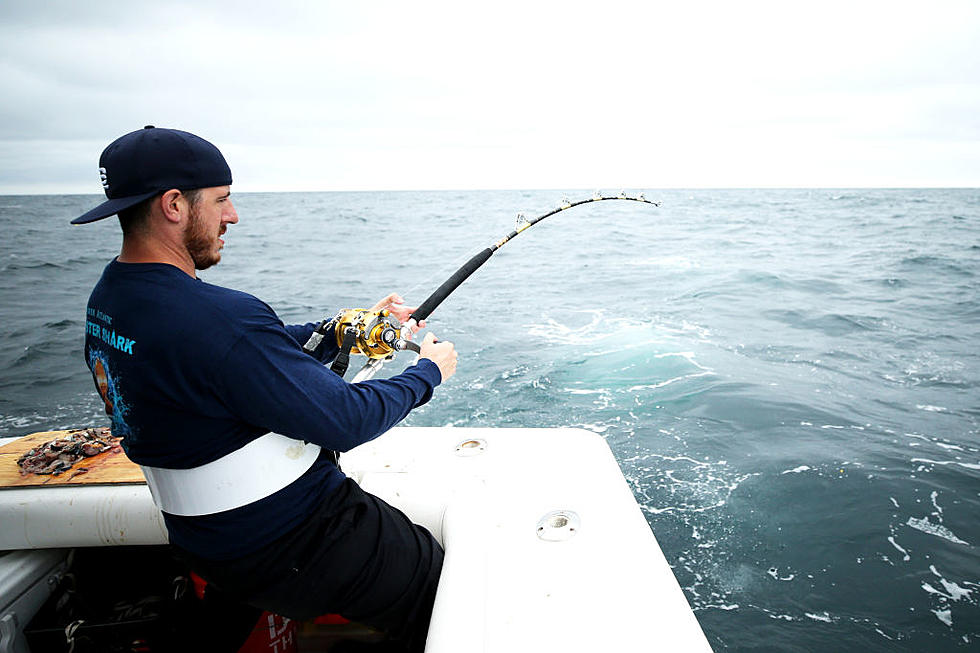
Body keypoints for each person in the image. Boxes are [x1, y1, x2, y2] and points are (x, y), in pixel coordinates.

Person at [72, 125, 457, 651]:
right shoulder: (220, 318)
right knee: (454, 594)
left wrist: (343, 327)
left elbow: (239, 360)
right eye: (222, 200)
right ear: (174, 205)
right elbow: (346, 420)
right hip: (301, 541)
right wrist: (427, 372)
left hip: (208, 544)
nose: (232, 216)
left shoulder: (111, 299)